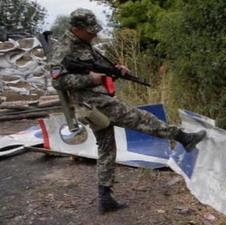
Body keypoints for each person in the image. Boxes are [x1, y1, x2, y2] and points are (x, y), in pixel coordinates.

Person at [49, 8, 206, 214]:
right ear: (77, 29)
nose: (94, 34)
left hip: (97, 101)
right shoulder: (63, 48)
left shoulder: (85, 44)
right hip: (93, 103)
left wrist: (115, 71)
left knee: (106, 147)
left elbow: (95, 68)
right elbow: (57, 81)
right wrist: (90, 79)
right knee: (142, 119)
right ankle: (183, 137)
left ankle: (105, 197)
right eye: (90, 31)